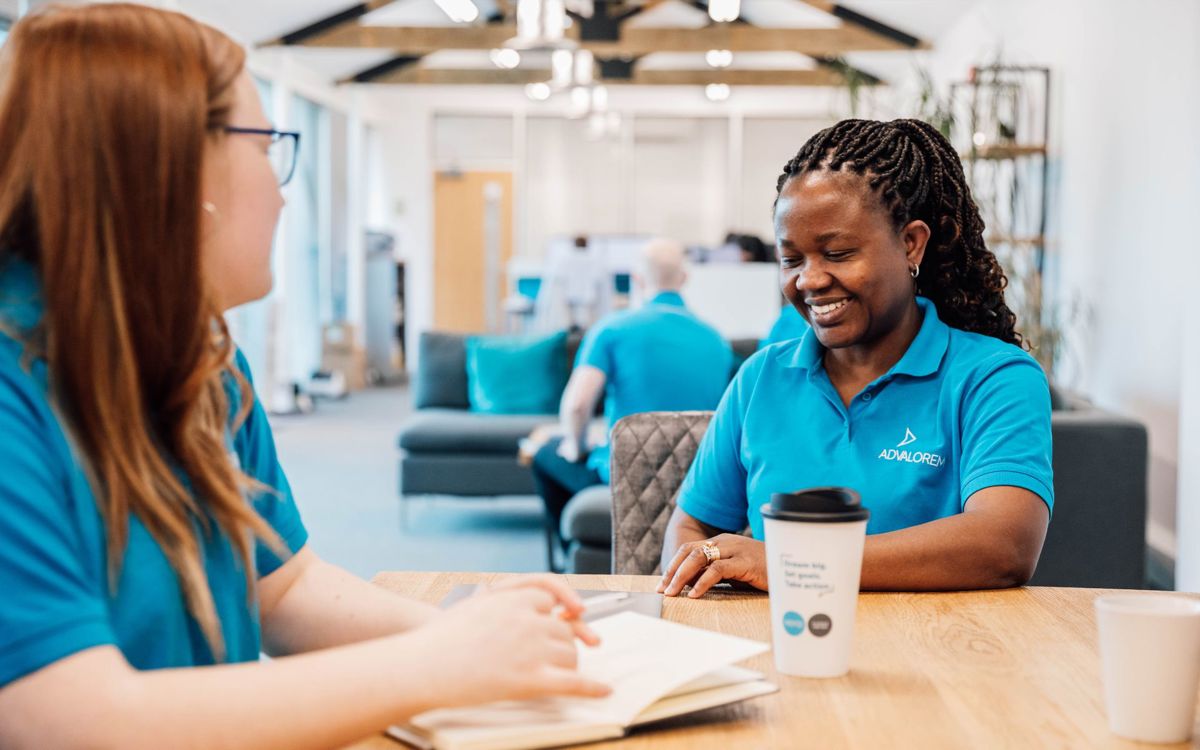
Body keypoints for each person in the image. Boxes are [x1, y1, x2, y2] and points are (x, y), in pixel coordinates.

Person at [0, 6, 609, 748]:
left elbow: (282, 589)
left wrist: (473, 635)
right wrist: (438, 661)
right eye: (268, 148)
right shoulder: (14, 392)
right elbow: (67, 722)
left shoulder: (206, 365)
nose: (285, 194)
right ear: (175, 173)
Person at [658, 119, 1053, 598]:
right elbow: (691, 529)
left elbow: (1004, 545)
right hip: (786, 649)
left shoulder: (994, 378)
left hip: (939, 656)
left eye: (839, 252)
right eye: (791, 259)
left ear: (911, 243)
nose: (809, 280)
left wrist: (796, 564)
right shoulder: (761, 377)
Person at [533, 239, 733, 566]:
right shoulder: (716, 339)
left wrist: (575, 443)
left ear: (637, 281)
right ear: (683, 279)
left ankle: (570, 559)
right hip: (698, 478)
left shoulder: (612, 329)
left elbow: (576, 406)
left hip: (627, 473)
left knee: (544, 454)